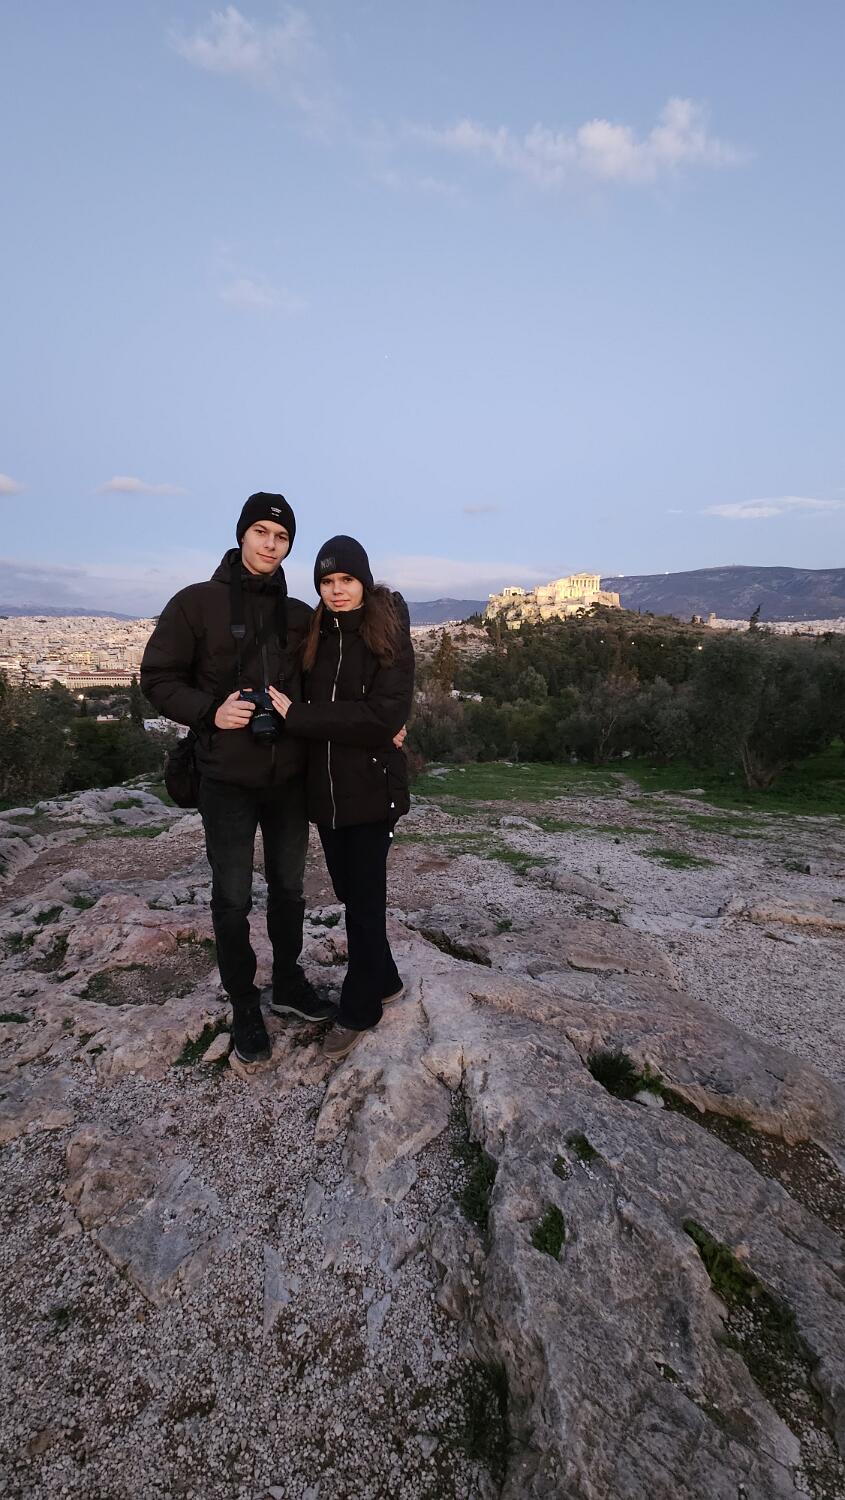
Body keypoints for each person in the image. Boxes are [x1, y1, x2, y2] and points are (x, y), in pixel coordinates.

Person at [140, 492, 336, 1065]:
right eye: (261, 533)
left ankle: (289, 982)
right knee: (231, 896)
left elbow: (332, 677)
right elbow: (157, 677)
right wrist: (211, 711)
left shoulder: (298, 614)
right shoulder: (196, 603)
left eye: (282, 538)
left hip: (288, 777)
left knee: (290, 889)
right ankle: (244, 1002)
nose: (271, 545)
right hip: (225, 777)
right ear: (241, 534)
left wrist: (386, 720)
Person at [271, 535, 415, 1061]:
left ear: (364, 582)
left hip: (373, 789)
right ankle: (387, 979)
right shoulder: (315, 634)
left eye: (346, 580)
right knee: (352, 893)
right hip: (327, 794)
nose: (336, 590)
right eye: (327, 582)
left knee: (365, 901)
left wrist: (302, 718)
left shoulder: (387, 634)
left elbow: (383, 715)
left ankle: (360, 1008)